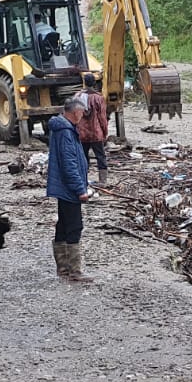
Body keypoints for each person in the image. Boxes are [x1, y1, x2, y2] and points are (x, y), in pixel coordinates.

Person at [47, 96, 95, 283]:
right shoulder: (66, 132)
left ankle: (63, 268)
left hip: (62, 187)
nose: (83, 116)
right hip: (68, 189)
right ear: (75, 112)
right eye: (82, 113)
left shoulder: (61, 129)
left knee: (63, 225)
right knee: (74, 226)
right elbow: (69, 164)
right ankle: (74, 271)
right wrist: (79, 189)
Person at [76, 73, 110, 186]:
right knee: (100, 156)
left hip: (82, 133)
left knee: (83, 157)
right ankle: (102, 181)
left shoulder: (77, 97)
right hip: (96, 133)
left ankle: (83, 179)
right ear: (94, 83)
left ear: (84, 82)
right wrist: (105, 132)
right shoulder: (98, 98)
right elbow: (102, 118)